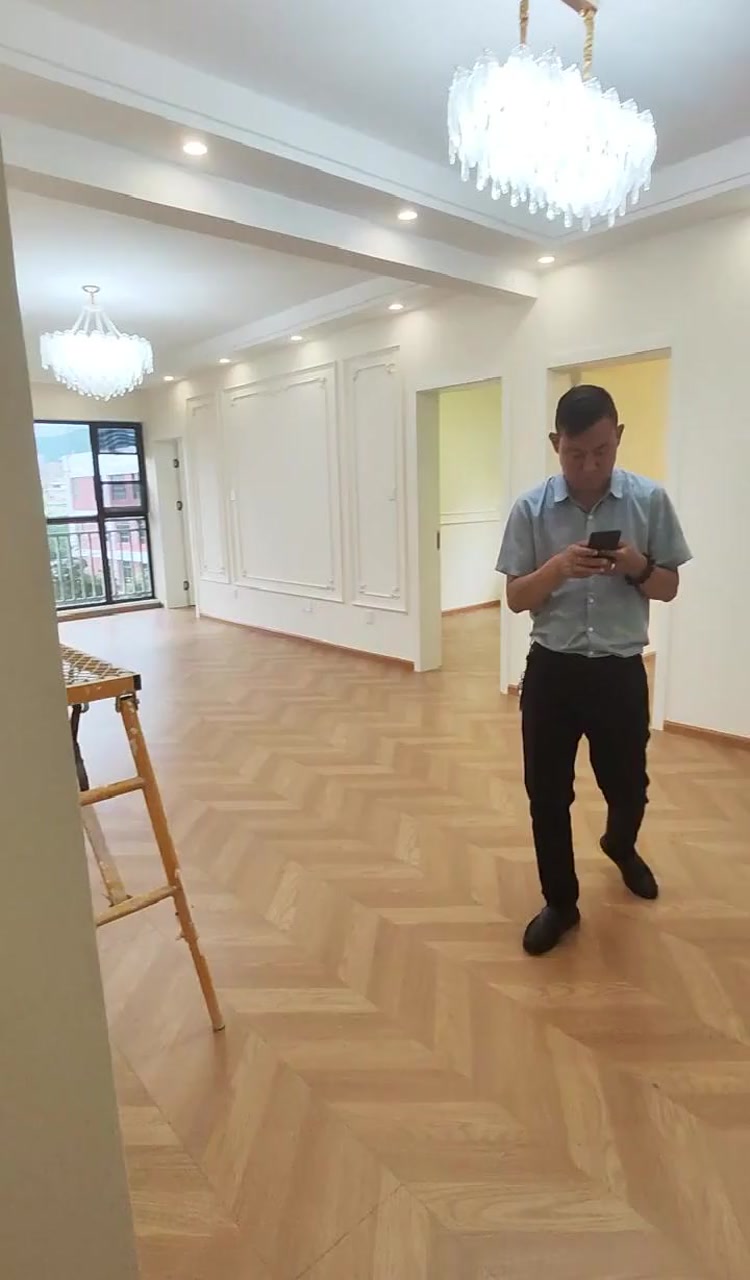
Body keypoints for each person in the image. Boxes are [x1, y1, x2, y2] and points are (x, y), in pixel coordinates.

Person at [496, 384, 691, 956]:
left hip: (619, 673)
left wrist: (636, 565)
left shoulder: (650, 501)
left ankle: (620, 845)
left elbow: (669, 587)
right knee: (546, 795)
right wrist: (557, 568)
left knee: (629, 785)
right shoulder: (530, 509)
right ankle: (561, 903)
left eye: (601, 451)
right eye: (575, 453)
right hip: (552, 673)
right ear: (555, 443)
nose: (589, 466)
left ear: (619, 437)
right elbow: (515, 598)